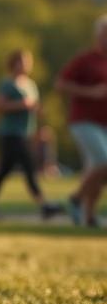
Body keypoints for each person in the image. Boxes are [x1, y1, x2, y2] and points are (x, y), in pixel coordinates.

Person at [0, 50, 62, 220]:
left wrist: (39, 118)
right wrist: (20, 104)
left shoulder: (31, 85)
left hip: (26, 133)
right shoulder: (7, 84)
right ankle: (44, 205)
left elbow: (34, 108)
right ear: (14, 64)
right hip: (10, 133)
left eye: (27, 61)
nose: (25, 65)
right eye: (22, 61)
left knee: (6, 170)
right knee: (27, 167)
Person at [56, 14, 107, 227]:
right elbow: (61, 84)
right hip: (84, 121)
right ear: (98, 36)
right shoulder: (85, 60)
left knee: (96, 170)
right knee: (104, 161)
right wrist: (90, 92)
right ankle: (74, 200)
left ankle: (89, 217)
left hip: (104, 123)